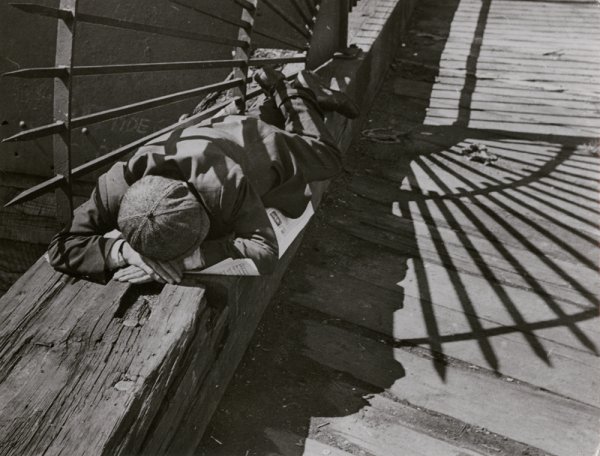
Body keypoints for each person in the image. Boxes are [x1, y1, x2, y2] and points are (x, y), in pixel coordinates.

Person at [47, 67, 359, 285]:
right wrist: (126, 253)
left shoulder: (226, 188)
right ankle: (274, 101)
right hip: (208, 139)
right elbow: (60, 247)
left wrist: (183, 261)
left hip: (257, 145)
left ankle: (295, 90)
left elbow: (265, 251)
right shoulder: (115, 186)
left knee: (327, 159)